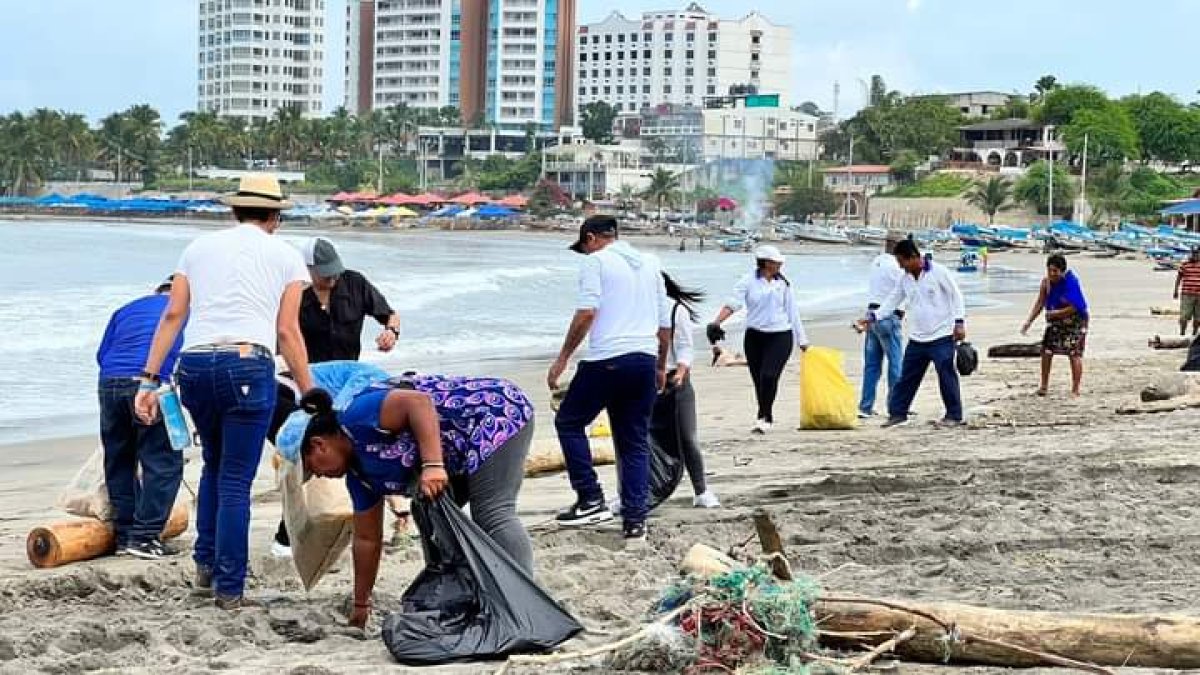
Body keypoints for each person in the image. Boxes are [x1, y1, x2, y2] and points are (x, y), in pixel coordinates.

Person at [135, 173, 314, 609]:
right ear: (274, 216)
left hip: (193, 365)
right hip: (247, 364)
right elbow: (287, 331)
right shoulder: (287, 256)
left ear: (234, 210)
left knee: (214, 467)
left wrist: (149, 378)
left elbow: (174, 314)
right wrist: (310, 392)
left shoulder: (196, 248)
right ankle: (230, 590)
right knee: (236, 480)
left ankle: (205, 569)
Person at [296, 375, 535, 628]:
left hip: (494, 412)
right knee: (424, 508)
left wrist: (433, 465)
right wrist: (360, 605)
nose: (320, 476)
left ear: (319, 444)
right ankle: (461, 588)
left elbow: (418, 403)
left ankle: (525, 607)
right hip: (458, 450)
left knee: (492, 513)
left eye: (313, 469)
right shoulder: (360, 480)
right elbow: (367, 540)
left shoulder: (356, 416)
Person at [548, 215, 671, 540]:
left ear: (591, 238)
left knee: (569, 422)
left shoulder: (597, 263)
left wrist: (562, 359)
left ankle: (590, 497)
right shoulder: (650, 263)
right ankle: (635, 520)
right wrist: (660, 365)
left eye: (585, 248)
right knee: (633, 441)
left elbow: (587, 312)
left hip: (608, 357)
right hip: (643, 357)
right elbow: (663, 322)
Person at [96, 276, 186, 559]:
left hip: (110, 382)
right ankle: (145, 536)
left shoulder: (126, 309)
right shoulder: (185, 310)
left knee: (120, 460)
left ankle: (125, 535)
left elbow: (102, 354)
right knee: (163, 461)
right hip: (150, 383)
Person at [707, 245, 809, 434]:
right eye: (776, 262)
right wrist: (716, 322)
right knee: (759, 380)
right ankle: (764, 414)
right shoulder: (748, 282)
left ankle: (764, 416)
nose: (780, 265)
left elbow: (792, 311)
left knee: (769, 375)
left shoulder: (783, 284)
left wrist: (802, 339)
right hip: (754, 336)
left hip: (780, 335)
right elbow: (733, 303)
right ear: (765, 263)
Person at [875, 239, 967, 428]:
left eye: (902, 262)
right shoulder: (905, 279)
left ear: (914, 257)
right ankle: (898, 413)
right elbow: (893, 300)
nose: (901, 267)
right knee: (907, 377)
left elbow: (956, 296)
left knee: (946, 373)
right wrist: (873, 316)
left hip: (941, 334)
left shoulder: (939, 272)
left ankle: (954, 415)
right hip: (918, 337)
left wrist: (959, 322)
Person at [662, 273, 720, 508]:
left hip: (675, 379)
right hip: (642, 381)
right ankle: (631, 495)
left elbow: (685, 347)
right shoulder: (632, 310)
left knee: (687, 437)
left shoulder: (677, 310)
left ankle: (701, 490)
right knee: (639, 442)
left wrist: (681, 371)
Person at [298, 237, 400, 363]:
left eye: (335, 271)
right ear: (307, 268)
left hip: (348, 370)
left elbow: (391, 315)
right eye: (326, 274)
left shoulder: (355, 283)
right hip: (309, 372)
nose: (333, 278)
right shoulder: (295, 293)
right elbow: (283, 336)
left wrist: (391, 332)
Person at [1022, 255, 1089, 397]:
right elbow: (1040, 303)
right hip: (1055, 320)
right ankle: (1044, 386)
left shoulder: (1071, 283)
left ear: (1062, 271)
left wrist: (1056, 313)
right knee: (1046, 351)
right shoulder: (1046, 283)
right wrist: (1029, 321)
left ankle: (1075, 389)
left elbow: (1076, 306)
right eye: (1050, 270)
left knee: (1074, 353)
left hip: (1075, 320)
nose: (1052, 274)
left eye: (1055, 271)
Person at [858, 234, 905, 419]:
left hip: (871, 312)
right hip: (888, 315)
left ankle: (865, 406)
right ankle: (896, 404)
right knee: (895, 363)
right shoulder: (896, 266)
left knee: (871, 365)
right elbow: (901, 290)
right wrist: (902, 310)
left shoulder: (876, 262)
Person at [1174, 248, 1200, 336]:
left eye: (1197, 254)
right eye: (1194, 254)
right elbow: (1179, 278)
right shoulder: (1185, 265)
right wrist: (1175, 290)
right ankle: (1182, 333)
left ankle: (1194, 334)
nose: (1195, 255)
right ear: (1191, 254)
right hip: (1186, 294)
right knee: (1184, 316)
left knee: (1198, 317)